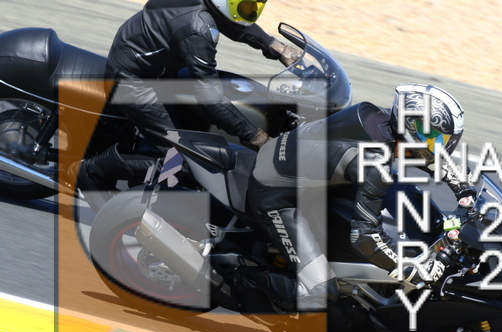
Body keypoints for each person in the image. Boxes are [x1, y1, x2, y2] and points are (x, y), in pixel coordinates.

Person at [239, 84, 476, 313]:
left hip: (296, 169)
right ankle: (237, 282)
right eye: (436, 139)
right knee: (321, 291)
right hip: (275, 195)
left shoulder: (381, 116)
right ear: (412, 128)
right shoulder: (375, 161)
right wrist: (413, 269)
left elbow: (422, 153)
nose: (441, 147)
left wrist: (462, 186)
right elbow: (364, 237)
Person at [72, 0, 301, 193]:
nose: (249, 11)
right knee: (187, 162)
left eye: (253, 6)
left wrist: (277, 47)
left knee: (194, 128)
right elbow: (210, 99)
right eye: (246, 5)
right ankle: (89, 171)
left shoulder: (205, 6)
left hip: (153, 65)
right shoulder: (197, 27)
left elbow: (235, 25)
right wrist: (256, 137)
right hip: (134, 79)